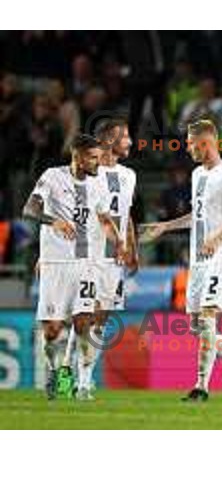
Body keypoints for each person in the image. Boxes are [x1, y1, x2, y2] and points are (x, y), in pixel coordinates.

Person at [139, 118, 222, 401]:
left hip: (221, 257)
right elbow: (198, 217)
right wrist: (165, 226)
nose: (188, 148)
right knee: (195, 325)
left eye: (191, 144)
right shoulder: (198, 176)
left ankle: (201, 387)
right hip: (199, 260)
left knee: (206, 320)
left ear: (205, 143)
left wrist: (217, 239)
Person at [22, 134, 124, 400]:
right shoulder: (53, 176)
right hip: (55, 263)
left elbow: (103, 218)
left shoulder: (98, 185)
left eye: (100, 158)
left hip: (85, 263)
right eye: (93, 157)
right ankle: (52, 370)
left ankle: (81, 383)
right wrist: (52, 221)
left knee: (83, 323)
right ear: (77, 156)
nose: (98, 164)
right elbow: (30, 209)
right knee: (53, 330)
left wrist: (120, 243)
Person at [63, 118, 139, 398]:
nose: (130, 142)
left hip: (114, 258)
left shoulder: (129, 175)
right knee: (86, 315)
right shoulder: (88, 173)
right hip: (89, 253)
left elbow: (126, 213)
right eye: (125, 136)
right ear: (108, 140)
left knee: (101, 319)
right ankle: (78, 380)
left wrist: (132, 246)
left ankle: (77, 375)